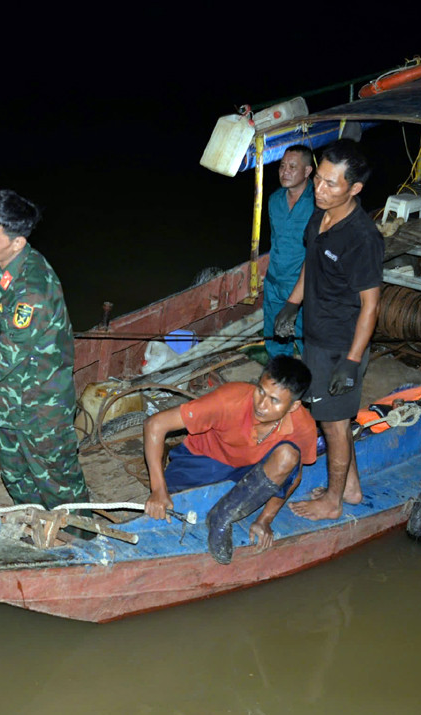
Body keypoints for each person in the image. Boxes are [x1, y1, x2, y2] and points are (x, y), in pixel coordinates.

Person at [274, 140, 382, 521]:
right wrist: (292, 303)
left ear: (354, 189)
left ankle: (333, 501)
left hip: (341, 345)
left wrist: (351, 362)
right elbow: (312, 263)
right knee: (330, 417)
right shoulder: (319, 214)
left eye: (331, 184)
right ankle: (350, 489)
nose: (319, 190)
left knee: (334, 425)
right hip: (315, 336)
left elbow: (370, 305)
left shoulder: (363, 238)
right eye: (318, 179)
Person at [0, 190, 90, 513]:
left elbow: (5, 358)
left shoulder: (32, 290)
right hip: (11, 403)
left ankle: (82, 542)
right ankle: (33, 526)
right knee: (16, 475)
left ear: (17, 242)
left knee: (58, 483)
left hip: (40, 405)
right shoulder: (7, 268)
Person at [143, 356, 317, 562]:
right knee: (170, 505)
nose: (261, 405)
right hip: (203, 460)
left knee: (289, 456)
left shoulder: (303, 426)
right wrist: (158, 489)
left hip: (250, 466)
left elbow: (294, 476)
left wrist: (265, 519)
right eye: (261, 391)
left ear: (294, 406)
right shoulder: (229, 399)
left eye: (275, 401)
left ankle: (221, 518)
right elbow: (155, 424)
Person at [264, 145, 315, 359]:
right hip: (274, 280)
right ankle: (278, 372)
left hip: (304, 285)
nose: (285, 171)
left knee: (308, 338)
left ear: (307, 171)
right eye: (282, 166)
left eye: (293, 167)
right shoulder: (274, 200)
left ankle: (312, 379)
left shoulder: (318, 203)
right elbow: (276, 241)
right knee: (275, 335)